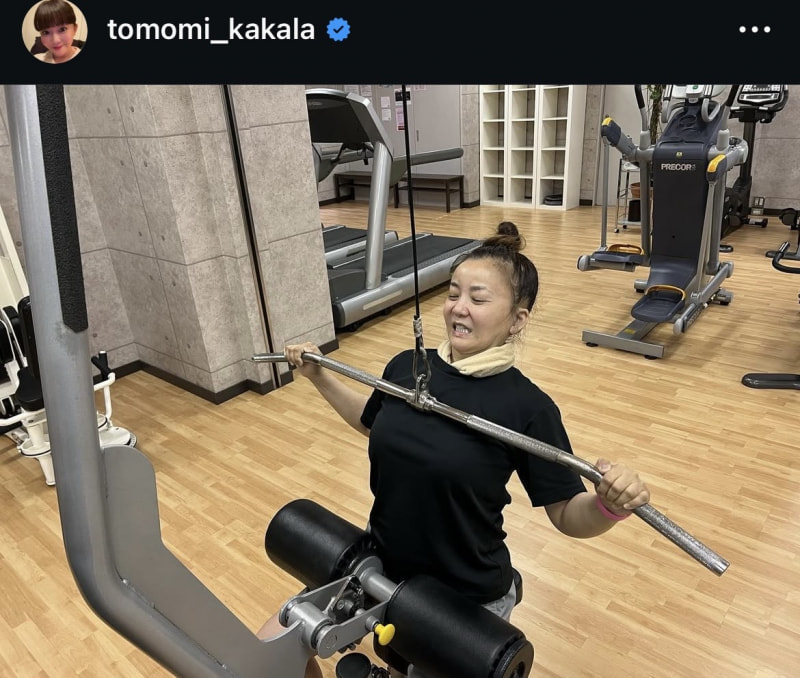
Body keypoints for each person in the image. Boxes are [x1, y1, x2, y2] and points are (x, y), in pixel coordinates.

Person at [258, 221, 650, 678]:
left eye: (478, 299)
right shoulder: (408, 366)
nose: (458, 308)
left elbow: (567, 513)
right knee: (272, 651)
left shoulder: (528, 408)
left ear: (517, 319)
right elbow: (372, 421)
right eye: (452, 294)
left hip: (462, 595)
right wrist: (320, 377)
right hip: (379, 567)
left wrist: (608, 506)